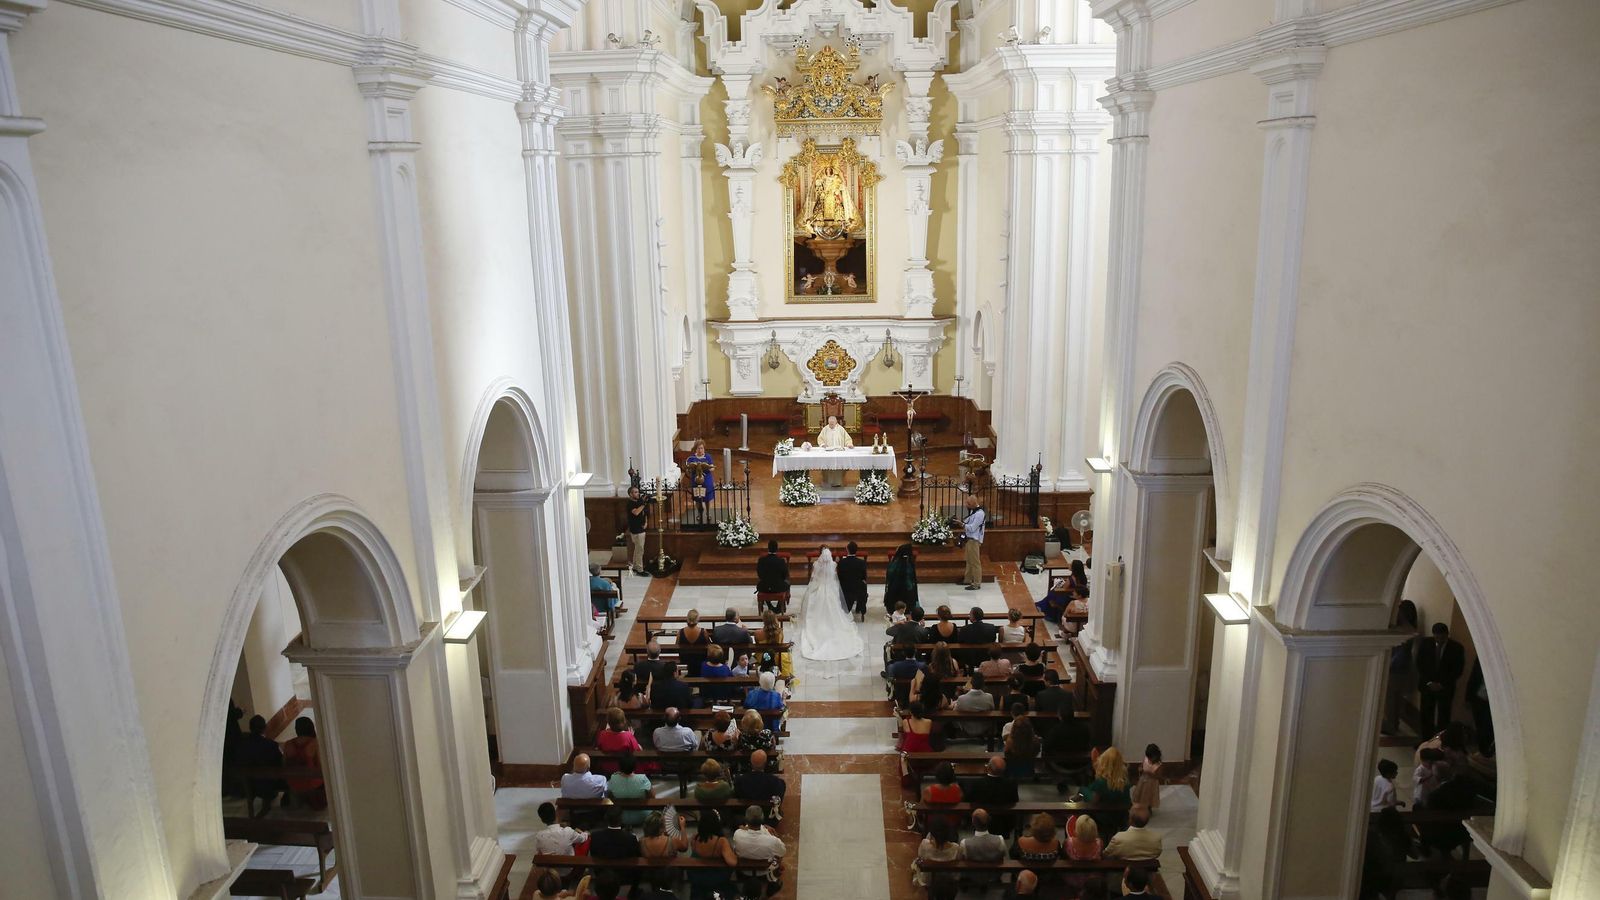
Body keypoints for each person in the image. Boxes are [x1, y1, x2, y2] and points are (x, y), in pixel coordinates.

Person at [798, 547, 865, 661]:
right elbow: (835, 579)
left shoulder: (816, 564)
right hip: (830, 589)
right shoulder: (834, 564)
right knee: (835, 609)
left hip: (819, 589)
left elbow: (814, 579)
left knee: (814, 608)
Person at [1416, 622, 1465, 736]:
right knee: (1426, 714)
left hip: (1445, 688)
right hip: (1427, 686)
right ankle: (1425, 740)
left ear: (1447, 635)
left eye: (1442, 637)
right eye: (1436, 637)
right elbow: (1420, 663)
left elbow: (1457, 670)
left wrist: (1441, 684)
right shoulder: (1426, 643)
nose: (1439, 640)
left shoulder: (1457, 648)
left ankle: (1440, 741)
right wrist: (1429, 682)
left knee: (1444, 716)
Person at [236, 714, 288, 814]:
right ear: (265, 728)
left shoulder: (242, 744)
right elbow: (280, 763)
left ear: (250, 728)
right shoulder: (271, 745)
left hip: (248, 783)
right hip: (268, 784)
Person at [729, 805, 787, 892]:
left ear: (746, 819)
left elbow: (735, 849)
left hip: (744, 872)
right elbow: (783, 852)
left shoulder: (738, 834)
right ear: (762, 818)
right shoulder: (772, 840)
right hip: (764, 872)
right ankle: (773, 875)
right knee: (778, 853)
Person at [1383, 600, 1420, 735]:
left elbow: (1400, 653)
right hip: (1400, 667)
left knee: (1392, 698)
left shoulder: (1406, 629)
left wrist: (1389, 665)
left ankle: (1391, 724)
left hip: (1397, 668)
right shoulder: (1409, 627)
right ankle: (1392, 723)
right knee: (1394, 698)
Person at [686, 809, 739, 898]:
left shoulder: (694, 838)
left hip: (698, 878)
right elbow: (733, 862)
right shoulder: (721, 841)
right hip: (715, 878)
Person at [963, 756, 1019, 834]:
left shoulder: (977, 784)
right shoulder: (1011, 784)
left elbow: (968, 800)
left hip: (981, 820)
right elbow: (1015, 800)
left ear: (988, 768)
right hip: (1004, 821)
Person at [280, 716, 325, 810]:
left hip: (293, 783)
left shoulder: (288, 744)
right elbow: (320, 767)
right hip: (311, 783)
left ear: (297, 729)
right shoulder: (314, 743)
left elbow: (284, 764)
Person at [533, 801, 587, 875]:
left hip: (551, 872)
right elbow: (583, 839)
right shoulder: (568, 831)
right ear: (556, 814)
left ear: (542, 820)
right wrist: (584, 833)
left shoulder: (539, 835)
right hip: (569, 869)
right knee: (585, 839)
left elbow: (539, 852)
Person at [607, 754, 654, 824]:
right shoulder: (642, 778)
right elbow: (652, 796)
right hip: (642, 815)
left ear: (620, 766)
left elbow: (609, 795)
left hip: (620, 816)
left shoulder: (613, 778)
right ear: (635, 766)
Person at [914, 818, 962, 886]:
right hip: (948, 880)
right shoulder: (956, 848)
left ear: (932, 833)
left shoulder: (925, 844)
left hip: (929, 880)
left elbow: (920, 857)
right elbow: (958, 862)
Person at [595, 708, 643, 773]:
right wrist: (631, 736)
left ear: (608, 722)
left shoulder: (602, 734)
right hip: (625, 766)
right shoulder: (628, 735)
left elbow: (599, 746)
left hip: (607, 765)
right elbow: (637, 750)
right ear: (624, 721)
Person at [1465, 657, 1494, 756]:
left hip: (1492, 701)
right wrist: (1468, 698)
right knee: (1480, 726)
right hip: (1478, 698)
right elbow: (1473, 677)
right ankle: (1482, 751)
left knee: (1489, 727)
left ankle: (1488, 753)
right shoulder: (1481, 658)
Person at [954, 671, 996, 738]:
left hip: (967, 728)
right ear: (983, 684)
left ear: (971, 683)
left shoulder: (961, 698)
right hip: (984, 728)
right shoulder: (989, 697)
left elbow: (955, 712)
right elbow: (992, 710)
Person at [923, 762, 964, 829]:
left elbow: (923, 807)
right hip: (952, 822)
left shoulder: (929, 791)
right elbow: (960, 801)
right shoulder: (957, 789)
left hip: (934, 822)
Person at [685, 438, 716, 522]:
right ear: (696, 449)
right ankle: (699, 514)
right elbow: (688, 469)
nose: (700, 450)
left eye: (702, 448)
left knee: (707, 498)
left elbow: (712, 467)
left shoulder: (708, 457)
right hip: (696, 480)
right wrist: (690, 469)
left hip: (706, 480)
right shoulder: (692, 458)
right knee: (697, 498)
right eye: (698, 448)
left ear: (704, 449)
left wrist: (709, 468)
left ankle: (708, 513)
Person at [838, 541, 869, 621]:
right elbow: (864, 577)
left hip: (846, 588)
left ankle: (845, 610)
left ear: (847, 550)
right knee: (862, 587)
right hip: (858, 587)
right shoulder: (861, 562)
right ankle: (860, 609)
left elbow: (839, 577)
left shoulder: (842, 562)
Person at [885, 544, 920, 614]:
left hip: (895, 590)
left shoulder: (894, 563)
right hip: (908, 591)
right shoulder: (910, 564)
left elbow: (889, 575)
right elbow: (912, 579)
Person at [960, 494, 986, 589]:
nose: (966, 505)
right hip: (969, 539)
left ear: (974, 503)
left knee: (975, 562)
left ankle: (976, 583)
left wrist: (962, 524)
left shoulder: (979, 514)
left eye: (968, 503)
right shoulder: (973, 511)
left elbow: (972, 528)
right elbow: (968, 521)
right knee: (969, 561)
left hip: (974, 540)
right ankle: (967, 579)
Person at [676, 610, 712, 677]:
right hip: (701, 658)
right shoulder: (703, 632)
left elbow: (676, 646)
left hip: (686, 658)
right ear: (697, 619)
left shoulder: (680, 632)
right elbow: (709, 644)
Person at [626, 486, 651, 575]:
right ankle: (640, 569)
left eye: (638, 492)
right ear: (630, 494)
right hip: (636, 529)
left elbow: (645, 514)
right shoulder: (630, 503)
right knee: (640, 549)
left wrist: (646, 523)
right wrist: (643, 504)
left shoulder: (639, 502)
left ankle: (636, 566)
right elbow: (636, 512)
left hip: (641, 527)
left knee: (638, 549)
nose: (638, 493)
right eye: (635, 492)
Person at [1131, 743, 1162, 812]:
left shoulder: (1158, 764)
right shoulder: (1146, 758)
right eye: (1148, 757)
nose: (1149, 759)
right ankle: (1141, 805)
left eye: (1151, 757)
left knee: (1149, 795)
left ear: (1156, 755)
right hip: (1143, 779)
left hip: (1152, 782)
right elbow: (1142, 764)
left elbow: (1158, 776)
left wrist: (1149, 773)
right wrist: (1140, 767)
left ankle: (1148, 807)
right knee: (1141, 793)